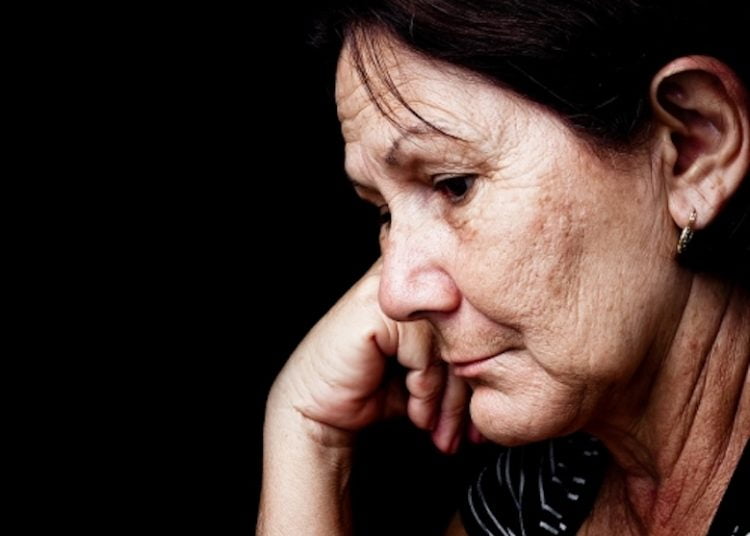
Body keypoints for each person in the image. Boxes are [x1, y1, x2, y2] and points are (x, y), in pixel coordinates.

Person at [258, 1, 749, 534]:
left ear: (692, 149)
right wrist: (306, 433)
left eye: (454, 184)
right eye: (384, 213)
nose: (396, 295)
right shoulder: (537, 491)